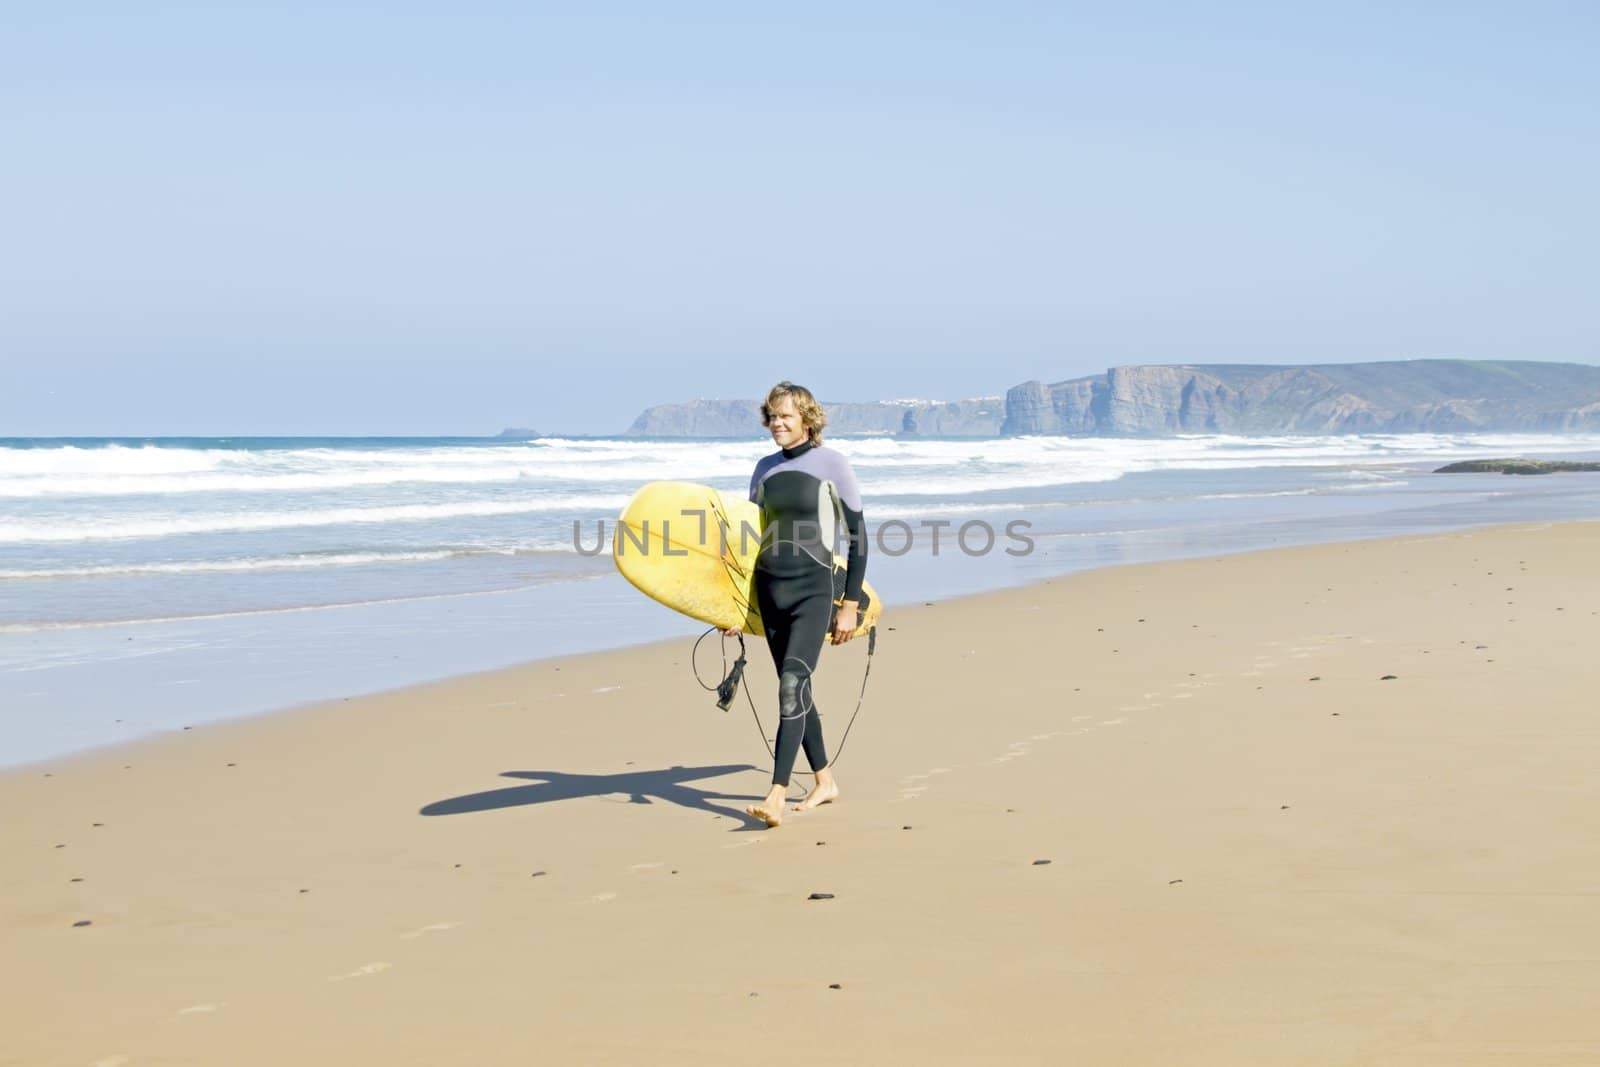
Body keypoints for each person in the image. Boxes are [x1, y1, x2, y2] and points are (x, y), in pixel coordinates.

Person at [728, 382, 869, 828]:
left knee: (790, 684)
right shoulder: (763, 469)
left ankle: (776, 794)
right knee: (799, 688)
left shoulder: (833, 464)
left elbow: (858, 537)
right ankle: (825, 780)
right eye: (772, 417)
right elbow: (749, 541)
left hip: (814, 589)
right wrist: (732, 609)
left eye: (785, 416)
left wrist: (849, 603)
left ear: (807, 418)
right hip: (770, 591)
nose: (777, 424)